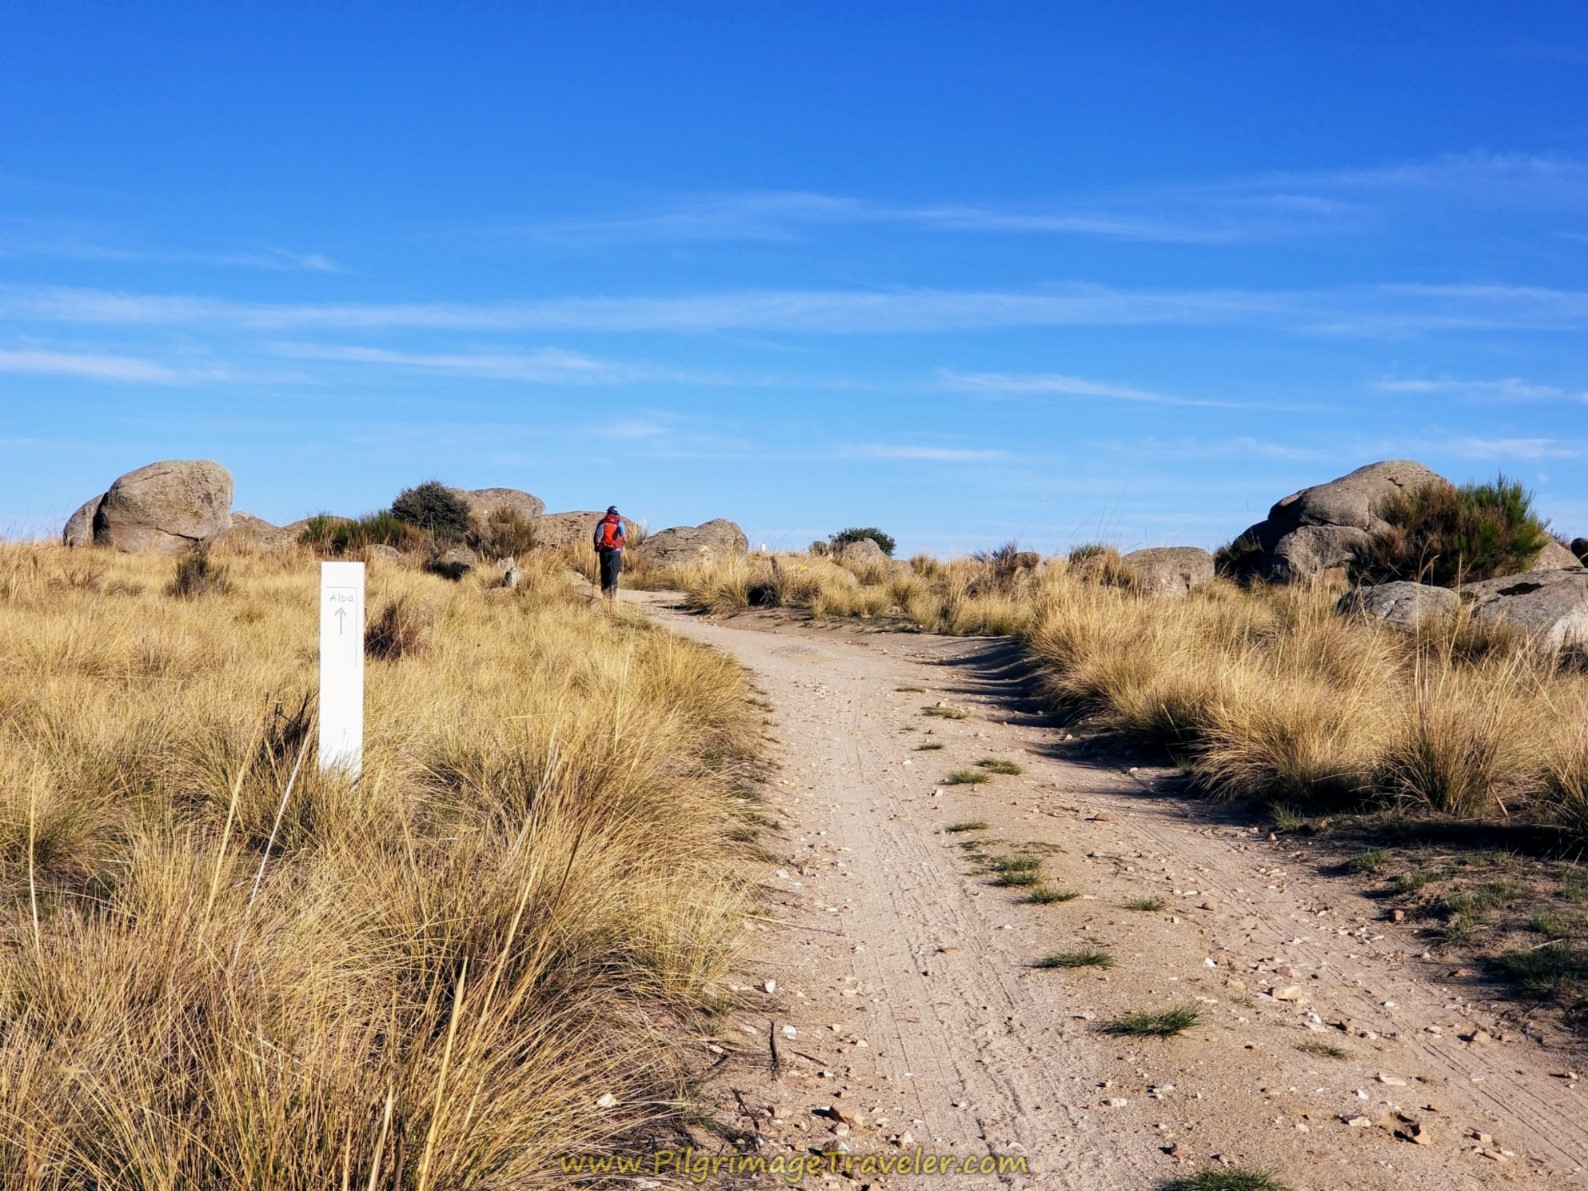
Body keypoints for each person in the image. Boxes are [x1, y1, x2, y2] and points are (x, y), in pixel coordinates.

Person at [593, 506, 625, 598]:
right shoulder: (619, 523)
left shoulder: (602, 522)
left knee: (604, 571)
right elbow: (625, 538)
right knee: (613, 572)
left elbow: (597, 536)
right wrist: (622, 543)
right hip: (615, 551)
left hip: (603, 551)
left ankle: (604, 594)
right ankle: (612, 595)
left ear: (607, 513)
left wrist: (596, 547)